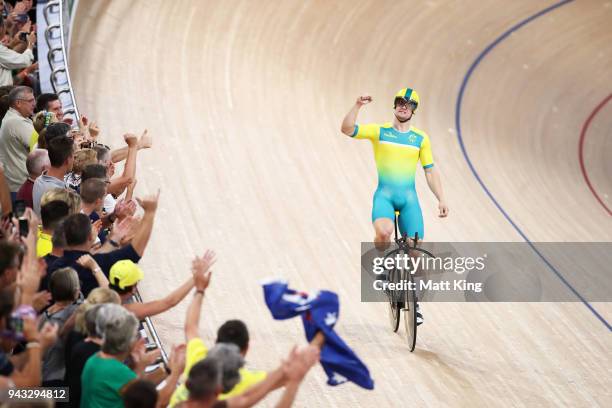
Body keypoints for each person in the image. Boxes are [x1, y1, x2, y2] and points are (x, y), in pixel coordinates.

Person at [340, 88, 449, 324]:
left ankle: (414, 301)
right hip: (385, 197)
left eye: (408, 104)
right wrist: (357, 105)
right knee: (384, 232)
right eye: (400, 102)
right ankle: (382, 267)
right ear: (395, 105)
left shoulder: (420, 138)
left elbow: (429, 171)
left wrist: (441, 197)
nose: (403, 106)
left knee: (417, 253)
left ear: (413, 110)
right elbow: (347, 129)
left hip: (409, 200)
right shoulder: (380, 131)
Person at [0, 86, 36, 201]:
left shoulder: (13, 119)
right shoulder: (17, 122)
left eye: (34, 100)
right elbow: (40, 148)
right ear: (18, 103)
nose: (34, 103)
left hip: (16, 186)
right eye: (30, 101)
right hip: (21, 187)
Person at [33, 136, 74, 215]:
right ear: (67, 160)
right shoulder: (58, 193)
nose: (74, 160)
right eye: (73, 156)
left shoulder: (39, 180)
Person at [0, 15, 35, 86]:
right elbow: (25, 61)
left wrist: (13, 43)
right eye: (4, 25)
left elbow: (4, 54)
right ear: (1, 28)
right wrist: (31, 43)